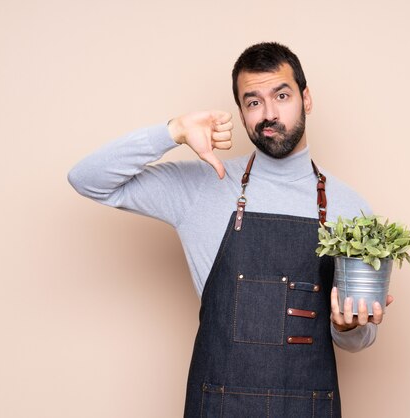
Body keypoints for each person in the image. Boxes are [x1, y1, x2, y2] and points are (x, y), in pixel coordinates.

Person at [68, 42, 393, 417]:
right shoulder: (204, 186)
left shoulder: (351, 208)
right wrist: (172, 131)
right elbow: (87, 179)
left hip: (309, 406)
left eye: (282, 96)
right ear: (241, 113)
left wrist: (350, 328)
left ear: (306, 99)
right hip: (220, 405)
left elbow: (361, 338)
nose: (269, 114)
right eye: (253, 102)